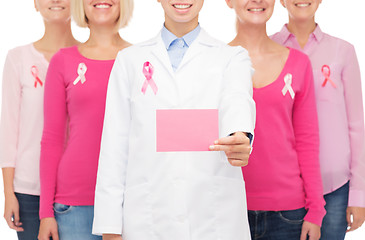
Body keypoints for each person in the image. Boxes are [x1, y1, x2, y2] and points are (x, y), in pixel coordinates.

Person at [92, 0, 256, 239]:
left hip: (213, 221)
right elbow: (114, 150)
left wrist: (240, 135)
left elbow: (238, 99)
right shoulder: (129, 61)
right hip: (148, 221)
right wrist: (110, 228)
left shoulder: (232, 58)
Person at [225, 0, 326, 239]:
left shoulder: (299, 64)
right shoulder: (212, 63)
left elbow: (307, 142)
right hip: (228, 207)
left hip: (288, 214)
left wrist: (315, 210)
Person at [37, 0, 134, 239]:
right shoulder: (63, 61)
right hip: (74, 204)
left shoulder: (141, 59)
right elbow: (52, 139)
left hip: (131, 200)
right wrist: (45, 212)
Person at [271, 0, 365, 239]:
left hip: (334, 188)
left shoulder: (342, 50)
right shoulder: (268, 47)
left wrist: (358, 194)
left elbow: (356, 125)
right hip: (283, 187)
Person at [0, 0, 78, 239]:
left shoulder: (88, 58)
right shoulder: (19, 59)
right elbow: (8, 129)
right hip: (29, 191)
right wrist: (8, 193)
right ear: (35, 4)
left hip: (78, 188)